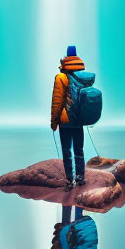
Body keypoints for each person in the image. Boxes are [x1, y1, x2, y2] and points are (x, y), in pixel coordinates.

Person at [51, 45, 86, 190]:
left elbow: (57, 101)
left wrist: (54, 121)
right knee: (79, 149)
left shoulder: (61, 77)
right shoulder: (82, 76)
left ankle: (70, 179)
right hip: (79, 120)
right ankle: (80, 178)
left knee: (67, 150)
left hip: (65, 122)